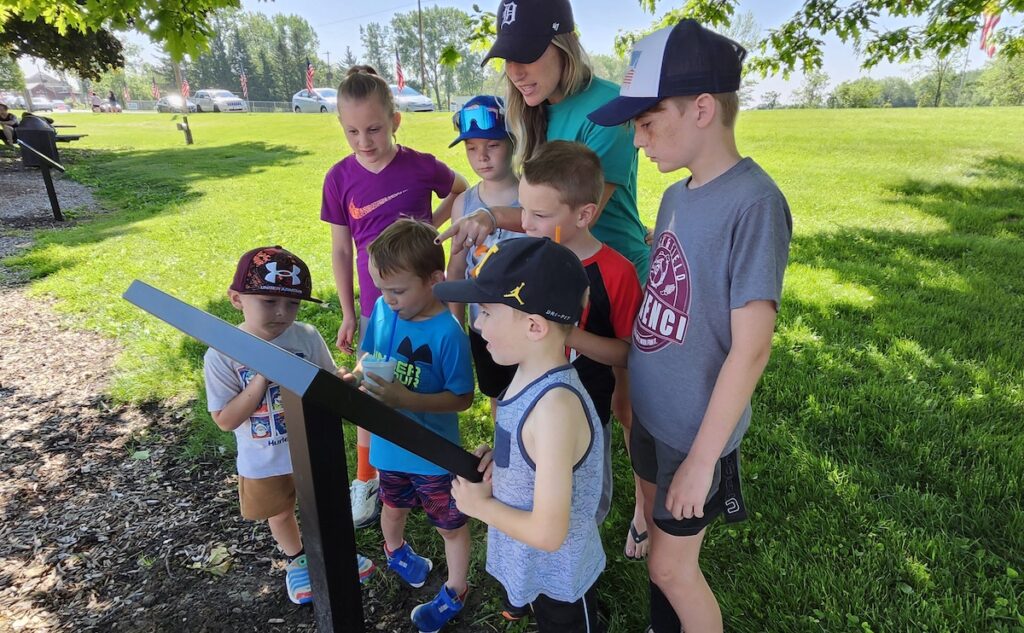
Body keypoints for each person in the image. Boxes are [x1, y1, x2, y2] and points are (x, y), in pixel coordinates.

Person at [588, 20, 793, 633]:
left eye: (648, 123)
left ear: (703, 109)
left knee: (674, 570)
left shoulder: (755, 204)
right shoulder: (677, 195)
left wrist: (704, 461)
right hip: (652, 411)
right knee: (655, 536)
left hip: (693, 431)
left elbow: (752, 349)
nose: (638, 139)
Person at [437, 0, 651, 557]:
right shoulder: (531, 109)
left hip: (603, 271)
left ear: (564, 46)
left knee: (623, 405)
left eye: (529, 56)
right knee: (546, 388)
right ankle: (540, 483)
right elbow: (535, 211)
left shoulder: (605, 109)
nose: (518, 72)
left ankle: (642, 511)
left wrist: (492, 217)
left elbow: (568, 215)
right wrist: (482, 216)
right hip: (550, 272)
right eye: (508, 59)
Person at [321, 65, 469, 529]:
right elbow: (342, 249)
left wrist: (431, 234)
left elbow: (462, 190)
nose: (364, 141)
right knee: (372, 388)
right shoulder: (339, 178)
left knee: (421, 375)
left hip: (420, 298)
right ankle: (370, 477)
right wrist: (349, 312)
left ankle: (428, 466)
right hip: (375, 305)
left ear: (395, 121)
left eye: (374, 129)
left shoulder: (420, 164)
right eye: (352, 131)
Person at [439, 237, 606, 633]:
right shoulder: (526, 375)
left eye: (487, 313)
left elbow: (549, 534)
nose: (477, 325)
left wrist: (478, 507)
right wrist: (503, 458)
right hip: (530, 561)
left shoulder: (554, 409)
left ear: (534, 326)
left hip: (561, 577)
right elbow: (529, 448)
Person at [203, 246, 377, 605]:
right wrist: (261, 379)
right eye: (268, 301)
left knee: (325, 505)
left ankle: (334, 554)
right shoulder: (222, 353)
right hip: (263, 459)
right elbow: (225, 419)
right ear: (237, 299)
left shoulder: (307, 337)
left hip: (313, 447)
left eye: (293, 304)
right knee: (281, 513)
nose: (282, 313)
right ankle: (298, 561)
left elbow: (327, 380)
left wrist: (344, 381)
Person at [337, 219, 474, 631]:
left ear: (434, 279)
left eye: (398, 291)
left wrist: (404, 399)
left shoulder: (448, 333)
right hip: (387, 447)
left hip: (432, 455)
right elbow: (368, 354)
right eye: (382, 289)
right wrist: (356, 377)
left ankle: (456, 589)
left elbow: (463, 398)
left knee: (450, 525)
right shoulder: (382, 309)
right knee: (392, 507)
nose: (389, 300)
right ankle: (396, 552)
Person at [517, 140, 644, 531]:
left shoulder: (616, 274)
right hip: (529, 403)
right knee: (531, 490)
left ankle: (579, 573)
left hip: (588, 412)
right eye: (522, 208)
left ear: (584, 214)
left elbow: (627, 353)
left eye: (538, 214)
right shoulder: (529, 259)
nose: (525, 223)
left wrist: (566, 333)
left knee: (584, 503)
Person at [445, 95, 523, 418]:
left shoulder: (533, 196)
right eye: (471, 148)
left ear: (512, 140)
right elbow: (457, 269)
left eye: (492, 145)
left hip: (527, 326)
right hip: (483, 328)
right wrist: (455, 326)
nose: (482, 157)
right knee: (498, 401)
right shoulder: (463, 203)